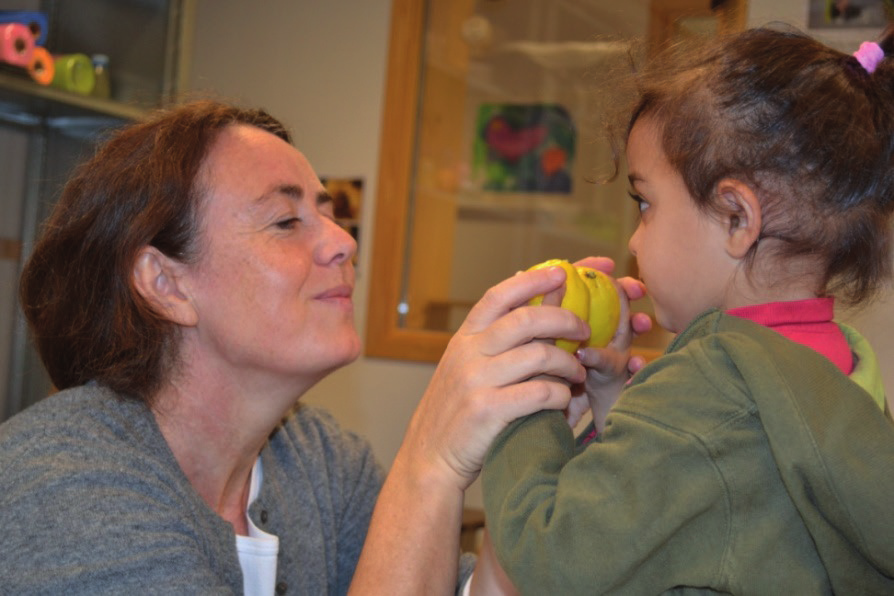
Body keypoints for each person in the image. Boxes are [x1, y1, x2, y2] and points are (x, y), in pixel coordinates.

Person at [0, 99, 648, 594]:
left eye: (328, 212)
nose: (343, 242)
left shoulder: (314, 461)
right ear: (165, 284)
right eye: (287, 221)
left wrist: (532, 455)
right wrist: (432, 455)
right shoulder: (58, 485)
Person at [480, 26, 894, 595]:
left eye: (646, 203)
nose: (633, 241)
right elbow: (725, 512)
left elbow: (552, 555)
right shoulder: (841, 368)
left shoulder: (712, 379)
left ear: (736, 219)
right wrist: (617, 410)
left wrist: (533, 393)